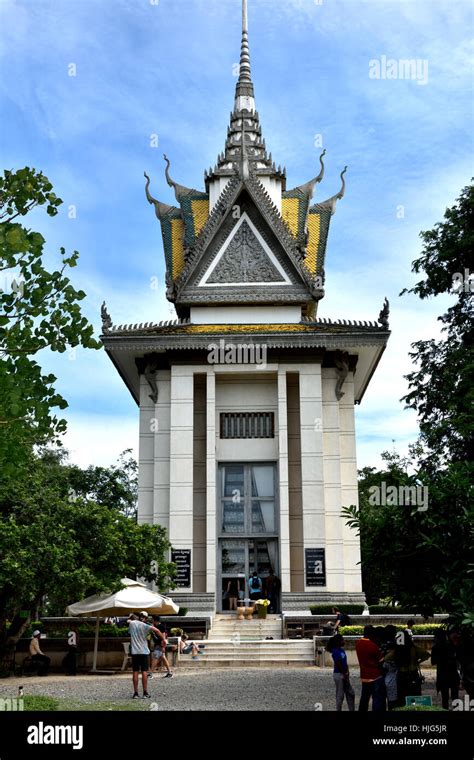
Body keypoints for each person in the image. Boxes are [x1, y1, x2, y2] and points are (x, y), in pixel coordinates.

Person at [128, 612, 167, 699]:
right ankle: (145, 692)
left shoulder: (131, 624)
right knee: (144, 671)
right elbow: (157, 630)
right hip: (144, 651)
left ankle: (135, 693)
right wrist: (163, 639)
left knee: (135, 671)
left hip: (135, 652)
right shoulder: (145, 625)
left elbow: (129, 626)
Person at [386, 629, 430, 705]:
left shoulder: (397, 651)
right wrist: (417, 661)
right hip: (413, 675)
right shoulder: (414, 649)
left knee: (402, 698)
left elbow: (386, 658)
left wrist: (396, 662)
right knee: (415, 698)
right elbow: (427, 654)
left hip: (402, 676)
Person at [355, 626, 386, 712]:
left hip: (364, 676)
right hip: (375, 676)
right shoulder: (373, 646)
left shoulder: (358, 643)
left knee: (364, 698)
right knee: (377, 700)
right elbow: (381, 661)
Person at [431, 629, 460, 709]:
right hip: (453, 674)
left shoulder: (435, 647)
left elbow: (433, 662)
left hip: (442, 675)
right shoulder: (452, 646)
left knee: (445, 698)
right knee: (455, 696)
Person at [326, 634, 355, 711]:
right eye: (342, 640)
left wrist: (347, 672)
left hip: (343, 673)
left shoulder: (341, 650)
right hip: (339, 674)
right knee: (340, 695)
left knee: (350, 693)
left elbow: (345, 662)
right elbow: (338, 663)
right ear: (338, 642)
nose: (344, 641)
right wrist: (344, 673)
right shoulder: (335, 651)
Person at [382, 626, 399, 710]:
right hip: (393, 676)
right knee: (392, 700)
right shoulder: (396, 648)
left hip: (385, 676)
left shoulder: (382, 645)